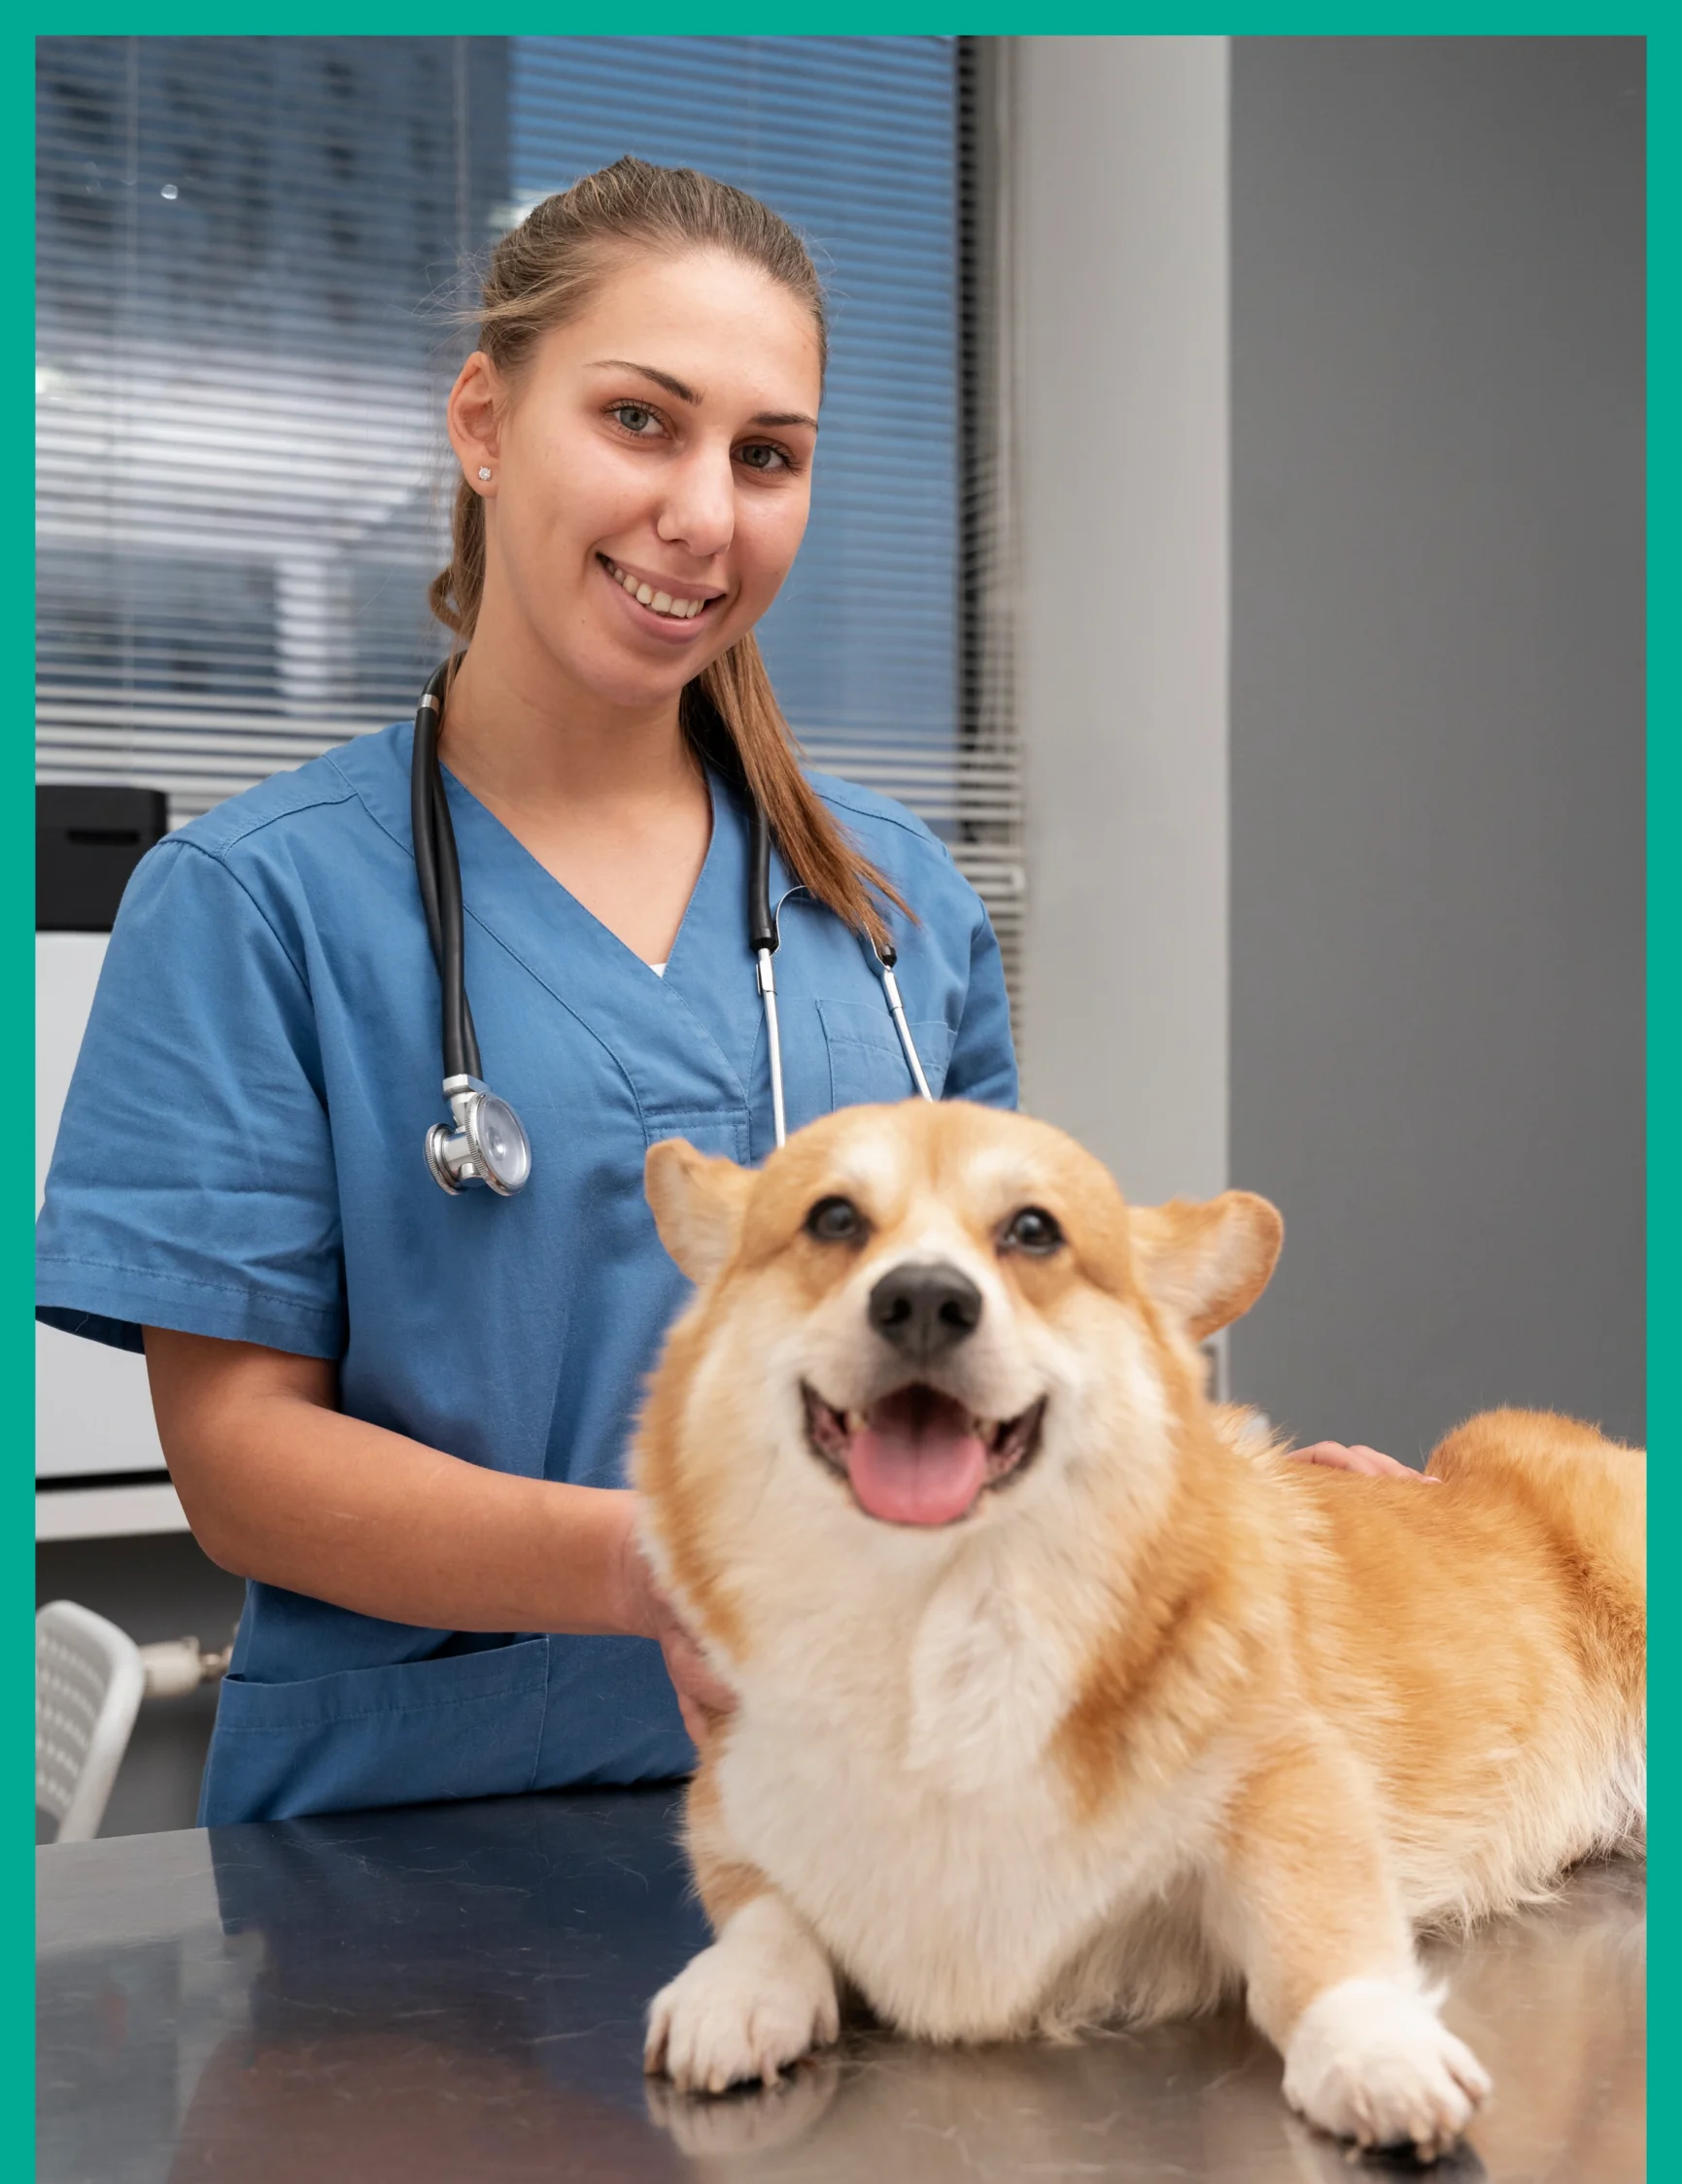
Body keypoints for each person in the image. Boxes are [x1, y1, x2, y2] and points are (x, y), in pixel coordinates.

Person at [36, 158, 1413, 1827]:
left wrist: (1255, 1505)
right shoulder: (260, 903)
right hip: (415, 1858)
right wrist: (664, 1568)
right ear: (484, 421)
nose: (704, 513)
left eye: (766, 456)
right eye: (640, 421)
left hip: (885, 1827)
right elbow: (243, 1468)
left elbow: (1011, 1354)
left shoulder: (893, 905)